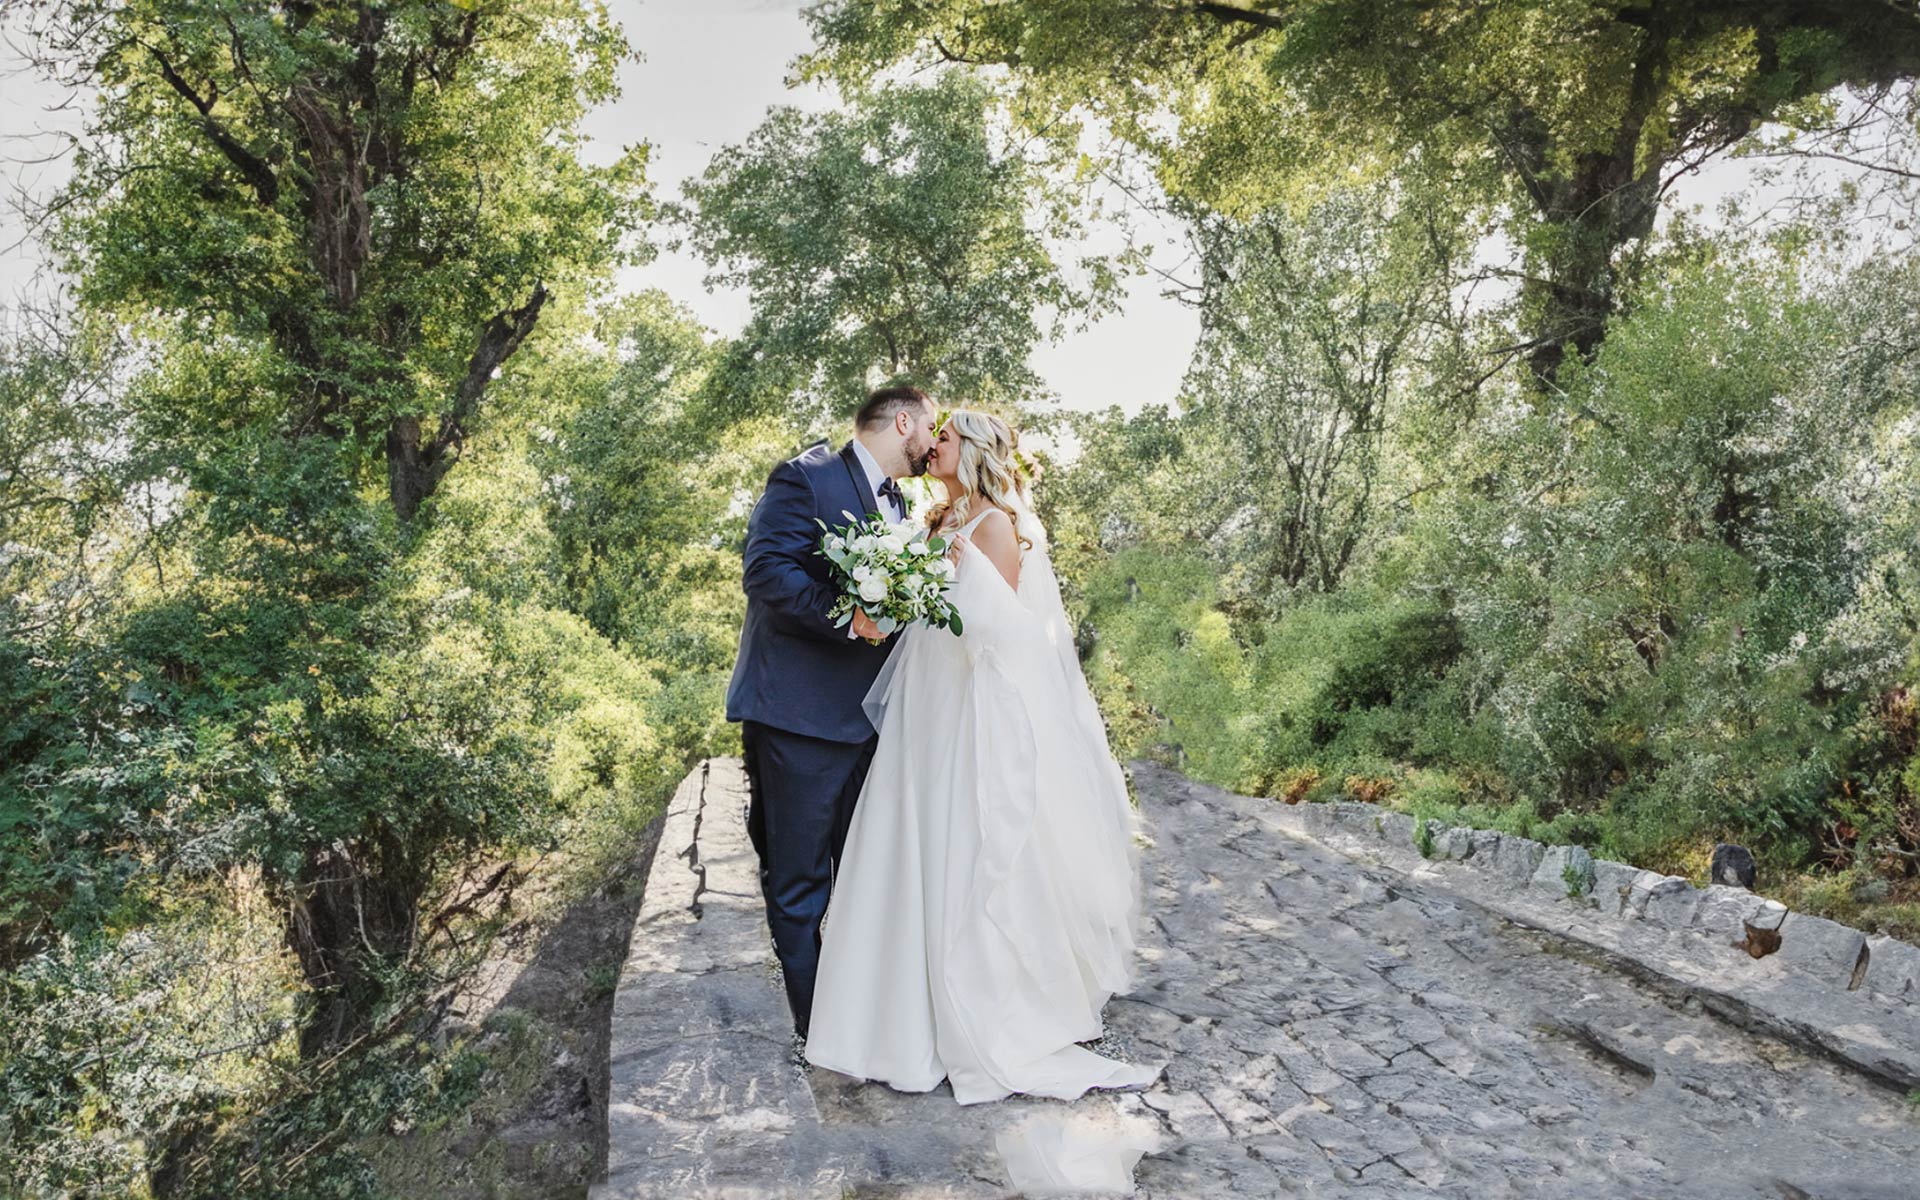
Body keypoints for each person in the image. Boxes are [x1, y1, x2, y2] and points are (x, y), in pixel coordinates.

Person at [803, 409, 1161, 1104]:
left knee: (962, 845)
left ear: (973, 450)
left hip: (966, 704)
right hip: (923, 705)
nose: (932, 443)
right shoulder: (935, 521)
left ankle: (978, 1012)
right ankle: (892, 1024)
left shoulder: (995, 525)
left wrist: (956, 579)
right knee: (909, 840)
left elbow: (1008, 634)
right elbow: (917, 612)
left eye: (945, 436)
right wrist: (891, 590)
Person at [724, 384, 938, 1040]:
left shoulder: (900, 501)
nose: (934, 442)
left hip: (868, 724)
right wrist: (849, 618)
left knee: (865, 878)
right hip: (800, 718)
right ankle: (818, 1032)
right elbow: (766, 571)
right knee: (799, 885)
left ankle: (861, 1017)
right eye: (930, 428)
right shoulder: (807, 476)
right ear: (903, 422)